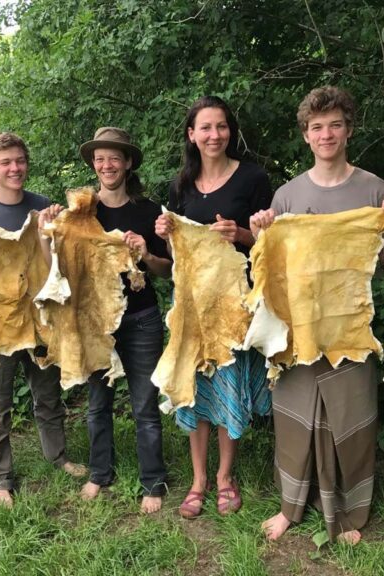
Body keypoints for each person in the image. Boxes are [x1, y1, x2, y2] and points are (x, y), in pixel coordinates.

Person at [249, 86, 384, 543]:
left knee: (351, 419)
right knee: (295, 420)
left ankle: (351, 513)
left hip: (349, 330)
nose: (326, 134)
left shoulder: (374, 189)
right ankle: (290, 508)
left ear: (349, 130)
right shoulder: (287, 195)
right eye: (317, 127)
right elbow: (270, 270)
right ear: (306, 135)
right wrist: (260, 234)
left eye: (335, 125)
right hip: (298, 331)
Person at [0, 132, 86, 508]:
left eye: (20, 161)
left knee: (48, 395)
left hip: (39, 319)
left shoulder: (41, 206)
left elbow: (58, 266)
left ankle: (58, 457)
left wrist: (52, 229)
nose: (15, 168)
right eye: (5, 162)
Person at [39, 127, 171, 513]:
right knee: (98, 404)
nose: (106, 165)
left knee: (144, 404)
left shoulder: (149, 211)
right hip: (93, 321)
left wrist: (146, 254)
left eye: (114, 157)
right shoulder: (80, 211)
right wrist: (47, 233)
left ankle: (153, 481)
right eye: (100, 159)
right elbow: (56, 268)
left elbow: (166, 271)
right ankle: (99, 473)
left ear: (127, 163)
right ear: (93, 165)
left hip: (141, 318)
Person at [155, 95, 273, 518]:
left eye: (221, 126)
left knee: (227, 385)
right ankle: (198, 480)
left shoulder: (253, 178)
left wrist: (240, 234)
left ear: (230, 131)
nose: (214, 135)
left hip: (233, 303)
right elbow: (172, 256)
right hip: (191, 303)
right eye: (205, 127)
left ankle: (224, 477)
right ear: (192, 134)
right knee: (195, 388)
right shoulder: (181, 186)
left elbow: (272, 242)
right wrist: (166, 233)